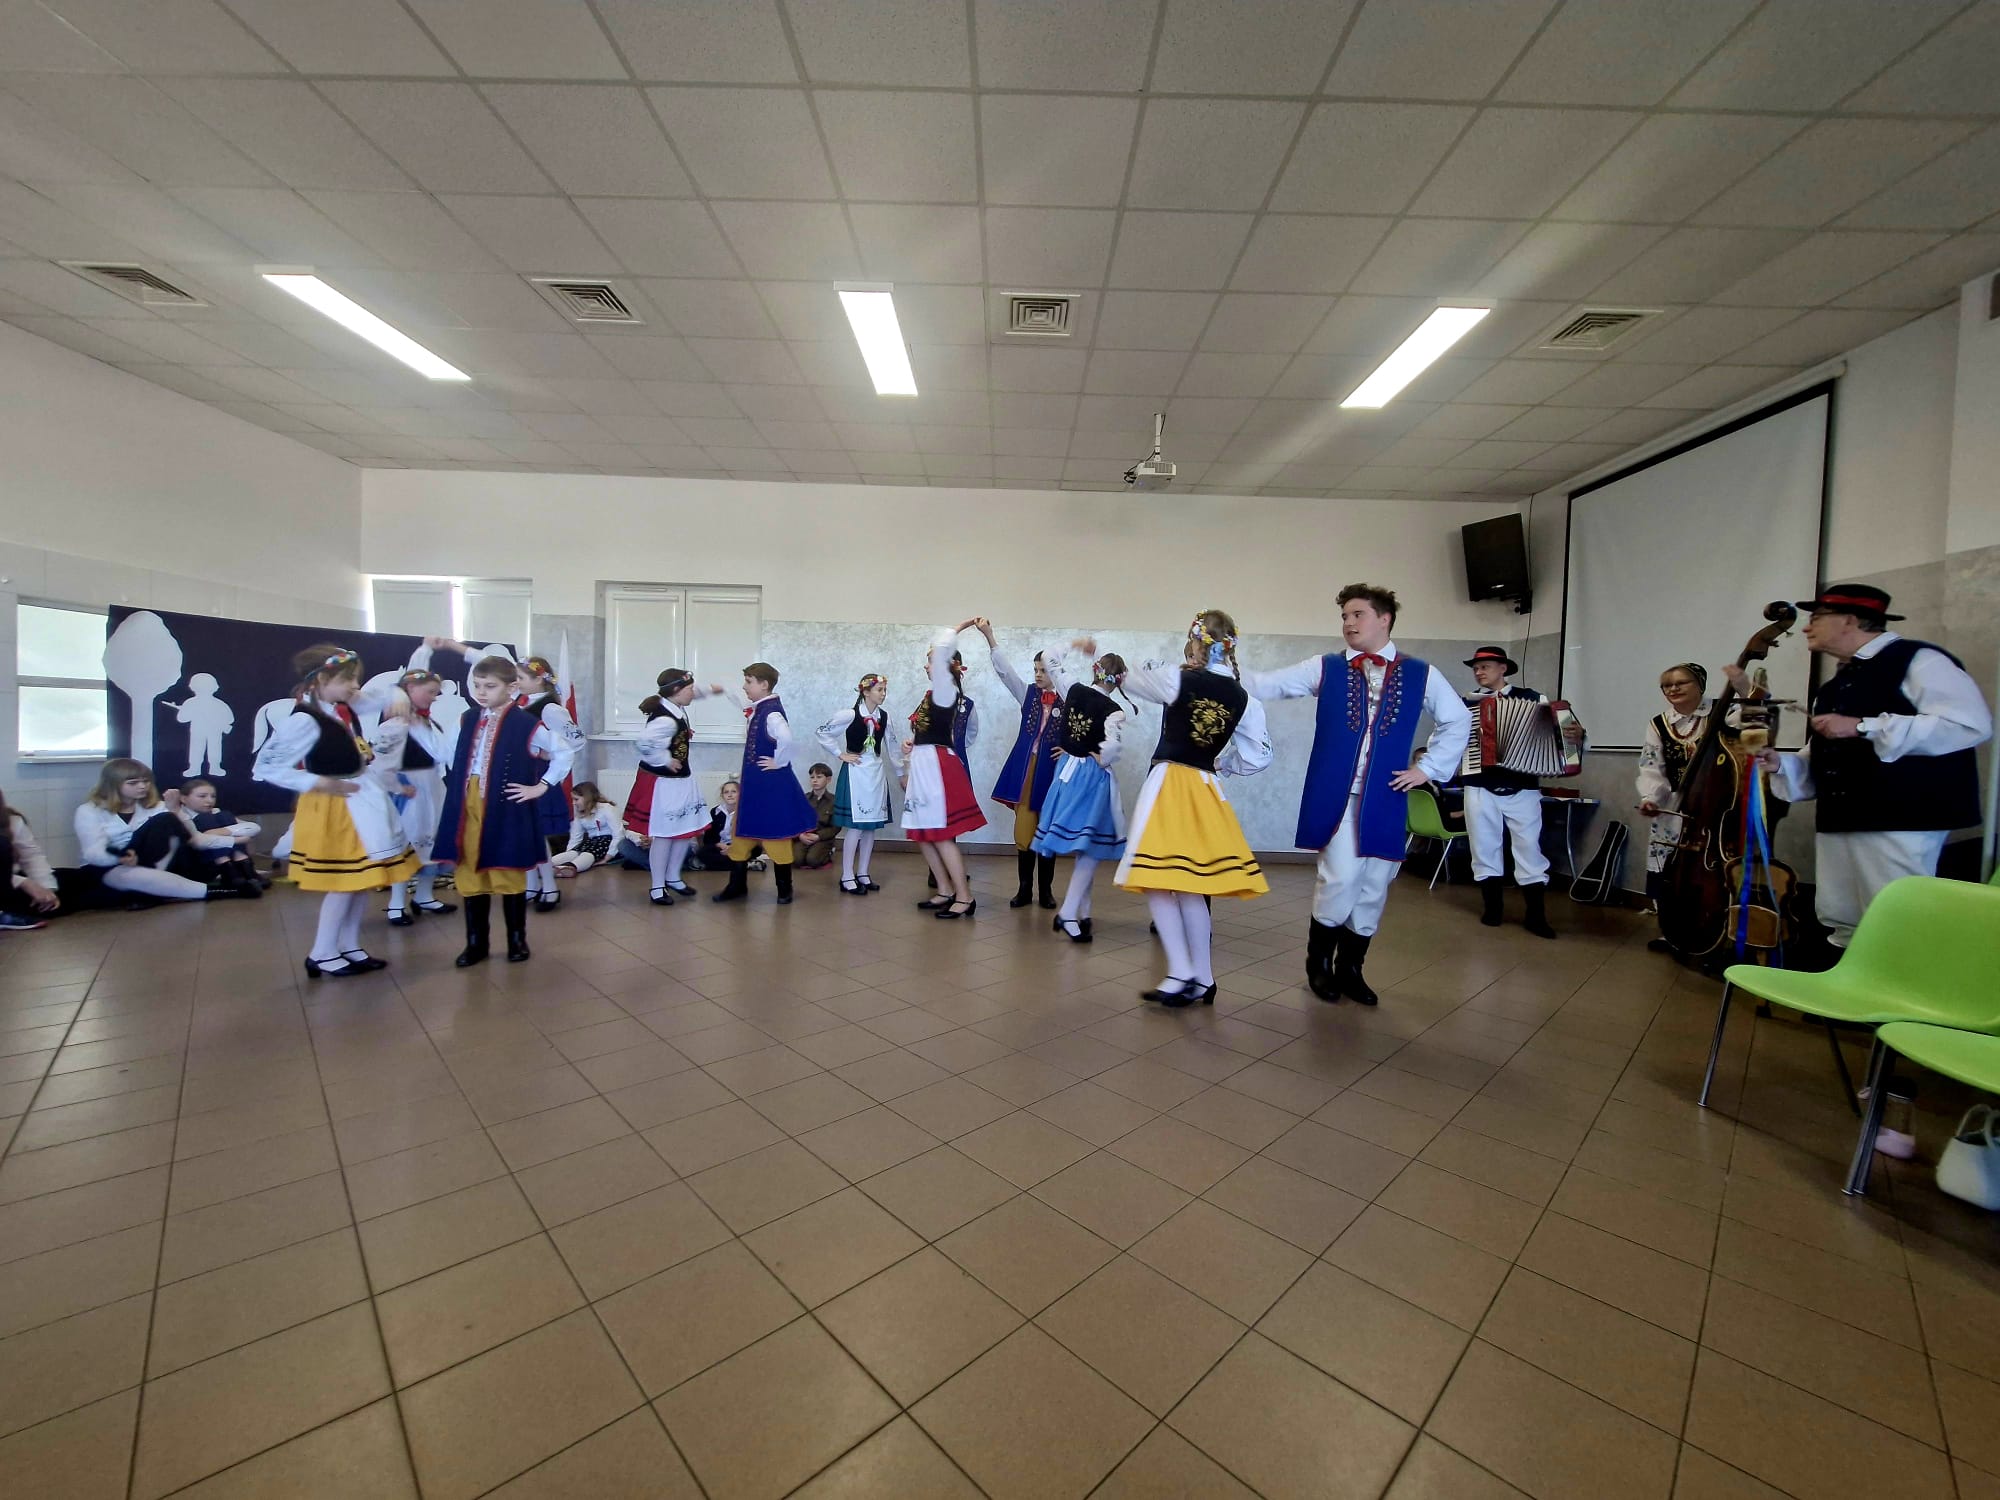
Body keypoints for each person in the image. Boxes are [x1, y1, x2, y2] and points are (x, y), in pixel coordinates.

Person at [1243, 583, 1472, 1006]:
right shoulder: (1326, 667)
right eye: (1345, 616)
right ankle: (1318, 963)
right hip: (1339, 796)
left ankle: (1351, 968)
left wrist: (1427, 769)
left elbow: (1458, 719)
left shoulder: (1420, 672)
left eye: (1357, 614)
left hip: (1386, 797)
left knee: (1374, 886)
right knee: (1342, 878)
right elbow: (1269, 684)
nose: (1348, 623)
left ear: (1384, 619)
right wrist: (1218, 670)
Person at [1748, 584, 1991, 949]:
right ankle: (1848, 982)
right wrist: (1782, 763)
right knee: (1842, 915)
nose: (1806, 627)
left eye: (1817, 618)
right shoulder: (1835, 685)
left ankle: (1902, 985)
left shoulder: (1920, 660)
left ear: (1849, 620)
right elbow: (1823, 754)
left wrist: (1864, 725)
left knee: (1899, 919)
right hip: (1842, 817)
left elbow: (1968, 725)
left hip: (1902, 816)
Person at [1117, 610, 1271, 1004]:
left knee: (1155, 878)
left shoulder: (1178, 678)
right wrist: (1222, 762)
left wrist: (1109, 662)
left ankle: (1180, 972)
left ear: (1198, 641)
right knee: (1189, 887)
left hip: (1169, 783)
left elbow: (1134, 680)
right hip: (1205, 789)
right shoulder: (1244, 698)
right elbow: (1259, 756)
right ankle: (1202, 977)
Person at [252, 647, 420, 976]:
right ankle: (323, 952)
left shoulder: (341, 706)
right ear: (320, 680)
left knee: (361, 881)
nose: (355, 685)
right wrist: (317, 782)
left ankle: (349, 945)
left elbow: (378, 696)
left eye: (355, 678)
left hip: (359, 799)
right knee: (344, 883)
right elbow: (267, 766)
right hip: (336, 806)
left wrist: (398, 694)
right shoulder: (304, 719)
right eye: (348, 679)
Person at [432, 651, 577, 966]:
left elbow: (564, 751)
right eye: (477, 685)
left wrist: (541, 785)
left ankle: (516, 939)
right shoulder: (467, 718)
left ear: (511, 688)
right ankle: (476, 943)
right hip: (468, 803)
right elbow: (445, 752)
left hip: (506, 807)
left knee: (508, 868)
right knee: (470, 866)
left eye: (490, 686)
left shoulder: (525, 723)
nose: (482, 692)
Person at [1458, 645, 1583, 939]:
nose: (1479, 672)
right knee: (1483, 845)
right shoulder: (1467, 704)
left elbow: (1564, 731)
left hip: (1523, 785)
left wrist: (1576, 735)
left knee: (1529, 846)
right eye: (1476, 668)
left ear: (1503, 668)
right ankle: (1493, 908)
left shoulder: (1534, 699)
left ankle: (1536, 915)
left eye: (1485, 666)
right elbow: (1447, 736)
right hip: (1479, 783)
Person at [1033, 639, 1131, 942]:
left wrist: (1075, 644)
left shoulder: (1072, 688)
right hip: (1090, 778)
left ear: (1095, 671)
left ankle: (1083, 913)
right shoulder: (1115, 711)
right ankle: (1069, 913)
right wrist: (1098, 757)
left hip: (1066, 773)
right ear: (1118, 681)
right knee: (1089, 845)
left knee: (1085, 844)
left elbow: (1049, 657)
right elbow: (1111, 749)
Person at [711, 663, 817, 907]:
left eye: (749, 682)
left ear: (764, 684)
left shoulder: (771, 713)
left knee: (775, 833)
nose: (744, 686)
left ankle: (784, 888)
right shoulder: (759, 708)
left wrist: (779, 762)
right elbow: (742, 702)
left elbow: (787, 739)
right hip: (755, 785)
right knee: (741, 833)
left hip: (770, 787)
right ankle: (737, 885)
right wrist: (725, 689)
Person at [903, 622, 987, 918]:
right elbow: (928, 730)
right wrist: (912, 744)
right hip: (925, 761)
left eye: (931, 661)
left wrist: (960, 627)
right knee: (922, 831)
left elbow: (941, 650)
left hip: (937, 765)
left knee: (939, 832)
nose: (927, 665)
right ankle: (945, 889)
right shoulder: (933, 694)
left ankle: (964, 896)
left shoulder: (946, 690)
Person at [978, 618, 1063, 911]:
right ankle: (1024, 888)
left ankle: (1046, 891)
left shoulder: (1069, 699)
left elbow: (1083, 730)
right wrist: (990, 636)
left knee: (1048, 829)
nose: (1037, 675)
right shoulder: (1027, 693)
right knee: (1025, 828)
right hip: (1028, 769)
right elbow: (1005, 672)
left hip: (1053, 773)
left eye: (1043, 670)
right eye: (1035, 669)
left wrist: (1069, 749)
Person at [373, 657, 457, 927]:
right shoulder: (395, 724)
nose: (434, 697)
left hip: (431, 786)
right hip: (407, 790)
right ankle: (396, 903)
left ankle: (424, 896)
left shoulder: (425, 722)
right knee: (405, 843)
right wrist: (398, 787)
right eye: (430, 692)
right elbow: (381, 765)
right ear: (410, 689)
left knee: (432, 841)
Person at [622, 671, 711, 905]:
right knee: (664, 835)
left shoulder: (674, 706)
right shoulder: (665, 719)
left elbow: (694, 693)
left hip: (681, 780)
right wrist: (665, 759)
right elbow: (643, 743)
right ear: (676, 691)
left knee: (685, 830)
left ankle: (673, 877)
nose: (693, 693)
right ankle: (657, 886)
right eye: (690, 689)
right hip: (664, 783)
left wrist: (713, 690)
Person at [514, 654, 588, 911]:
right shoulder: (520, 703)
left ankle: (549, 887)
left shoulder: (550, 708)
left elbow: (577, 739)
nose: (516, 682)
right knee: (526, 834)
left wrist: (550, 754)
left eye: (521, 678)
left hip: (540, 775)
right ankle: (532, 884)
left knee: (536, 835)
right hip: (523, 773)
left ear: (538, 679)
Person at [818, 673, 896, 895]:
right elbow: (822, 732)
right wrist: (840, 754)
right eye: (879, 690)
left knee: (870, 827)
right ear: (866, 691)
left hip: (875, 772)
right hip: (856, 772)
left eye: (884, 690)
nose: (883, 694)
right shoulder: (850, 715)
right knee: (855, 826)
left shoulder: (884, 717)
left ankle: (863, 872)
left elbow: (893, 747)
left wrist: (902, 772)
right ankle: (847, 875)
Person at [171, 779, 264, 894]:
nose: (209, 800)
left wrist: (216, 832)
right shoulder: (179, 815)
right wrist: (237, 839)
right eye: (202, 796)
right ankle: (227, 868)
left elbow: (253, 828)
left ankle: (243, 866)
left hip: (222, 861)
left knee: (224, 816)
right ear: (184, 799)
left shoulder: (217, 813)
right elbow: (198, 842)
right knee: (205, 818)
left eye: (213, 796)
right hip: (196, 864)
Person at [3, 790, 60, 930]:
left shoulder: (12, 820)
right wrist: (23, 882)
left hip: (11, 881)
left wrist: (46, 887)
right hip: (8, 884)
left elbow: (32, 856)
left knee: (76, 879)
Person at [552, 782, 619, 875]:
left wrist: (609, 856)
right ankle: (548, 866)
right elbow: (575, 838)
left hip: (608, 842)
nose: (573, 803)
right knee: (575, 852)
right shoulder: (580, 815)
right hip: (591, 841)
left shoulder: (607, 809)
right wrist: (570, 851)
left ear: (587, 798)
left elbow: (618, 834)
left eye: (576, 799)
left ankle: (570, 867)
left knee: (588, 854)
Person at [799, 764, 838, 869]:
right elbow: (796, 820)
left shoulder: (834, 801)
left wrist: (819, 836)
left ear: (828, 780)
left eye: (819, 777)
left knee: (813, 860)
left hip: (823, 838)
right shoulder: (804, 798)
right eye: (812, 777)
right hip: (804, 836)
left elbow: (835, 827)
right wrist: (800, 835)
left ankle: (829, 852)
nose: (815, 780)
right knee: (797, 860)